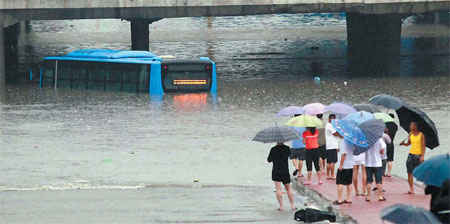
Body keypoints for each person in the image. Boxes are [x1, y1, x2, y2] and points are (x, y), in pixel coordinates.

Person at [267, 142, 296, 211]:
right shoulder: (287, 148)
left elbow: (269, 160)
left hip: (276, 171)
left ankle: (281, 206)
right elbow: (291, 156)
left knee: (278, 189)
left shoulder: (273, 149)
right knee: (288, 188)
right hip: (285, 171)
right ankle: (292, 205)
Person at [400, 121, 426, 194]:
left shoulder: (421, 135)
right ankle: (411, 189)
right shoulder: (410, 134)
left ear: (415, 126)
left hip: (418, 155)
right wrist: (403, 144)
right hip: (411, 155)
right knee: (409, 172)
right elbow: (408, 143)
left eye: (411, 125)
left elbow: (423, 146)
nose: (410, 127)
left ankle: (426, 185)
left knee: (422, 172)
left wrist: (422, 156)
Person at [333, 139, 354, 205]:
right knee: (349, 182)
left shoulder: (343, 142)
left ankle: (339, 199)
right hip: (350, 164)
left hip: (344, 165)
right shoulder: (351, 142)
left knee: (340, 182)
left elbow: (344, 154)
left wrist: (341, 165)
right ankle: (348, 198)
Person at [325, 114, 339, 179]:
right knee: (332, 161)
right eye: (333, 119)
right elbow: (335, 134)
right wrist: (340, 134)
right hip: (332, 145)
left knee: (329, 161)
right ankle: (332, 174)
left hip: (328, 145)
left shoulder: (327, 125)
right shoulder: (330, 125)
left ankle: (328, 174)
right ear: (330, 119)